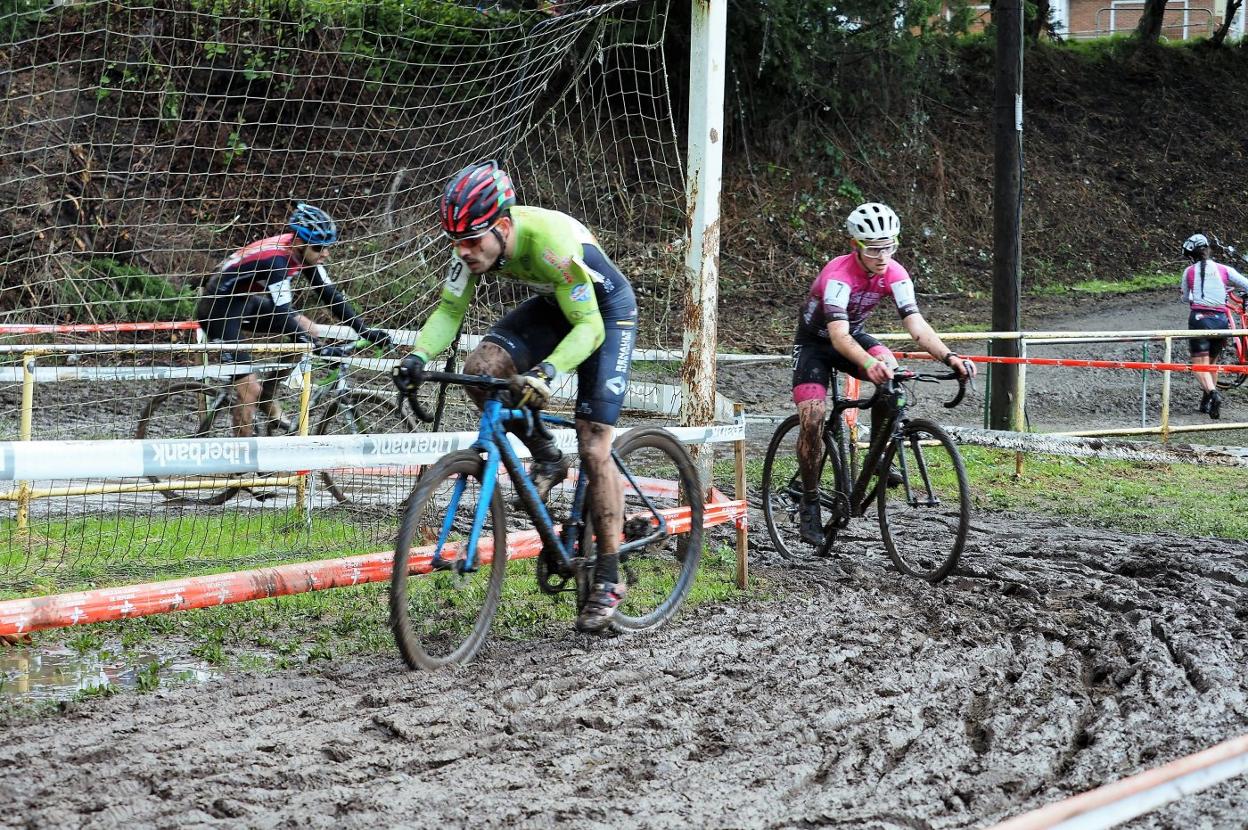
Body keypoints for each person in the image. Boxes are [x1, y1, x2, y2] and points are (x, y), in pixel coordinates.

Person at [391, 160, 637, 633]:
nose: (463, 251)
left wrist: (547, 371)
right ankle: (545, 452)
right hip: (553, 306)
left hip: (604, 313)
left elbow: (590, 326)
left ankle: (608, 574)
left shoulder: (552, 247)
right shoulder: (469, 244)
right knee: (483, 372)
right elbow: (448, 310)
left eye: (472, 241)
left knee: (594, 445)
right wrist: (418, 355)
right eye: (455, 241)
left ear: (502, 226)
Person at [792, 202, 977, 547]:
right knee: (814, 418)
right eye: (874, 248)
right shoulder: (838, 276)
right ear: (856, 246)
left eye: (890, 245)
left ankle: (877, 456)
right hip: (817, 345)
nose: (883, 255)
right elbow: (838, 337)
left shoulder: (895, 272)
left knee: (890, 370)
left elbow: (916, 325)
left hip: (853, 336)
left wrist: (949, 357)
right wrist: (866, 365)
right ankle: (811, 499)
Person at [197, 203, 391, 437]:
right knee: (249, 389)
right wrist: (317, 349)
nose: (325, 253)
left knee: (309, 329)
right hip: (217, 311)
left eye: (328, 247)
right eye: (320, 247)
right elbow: (281, 313)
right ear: (300, 242)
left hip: (242, 302)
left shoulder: (301, 251)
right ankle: (243, 462)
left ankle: (268, 394)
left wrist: (364, 331)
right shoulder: (277, 261)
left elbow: (329, 295)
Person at [1181, 233, 1248, 420]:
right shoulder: (1224, 269)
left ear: (1191, 256)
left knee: (1198, 366)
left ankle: (1213, 394)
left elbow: (1186, 297)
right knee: (1212, 364)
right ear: (1207, 250)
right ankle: (1206, 402)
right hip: (1221, 320)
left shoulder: (1189, 272)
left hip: (1199, 320)